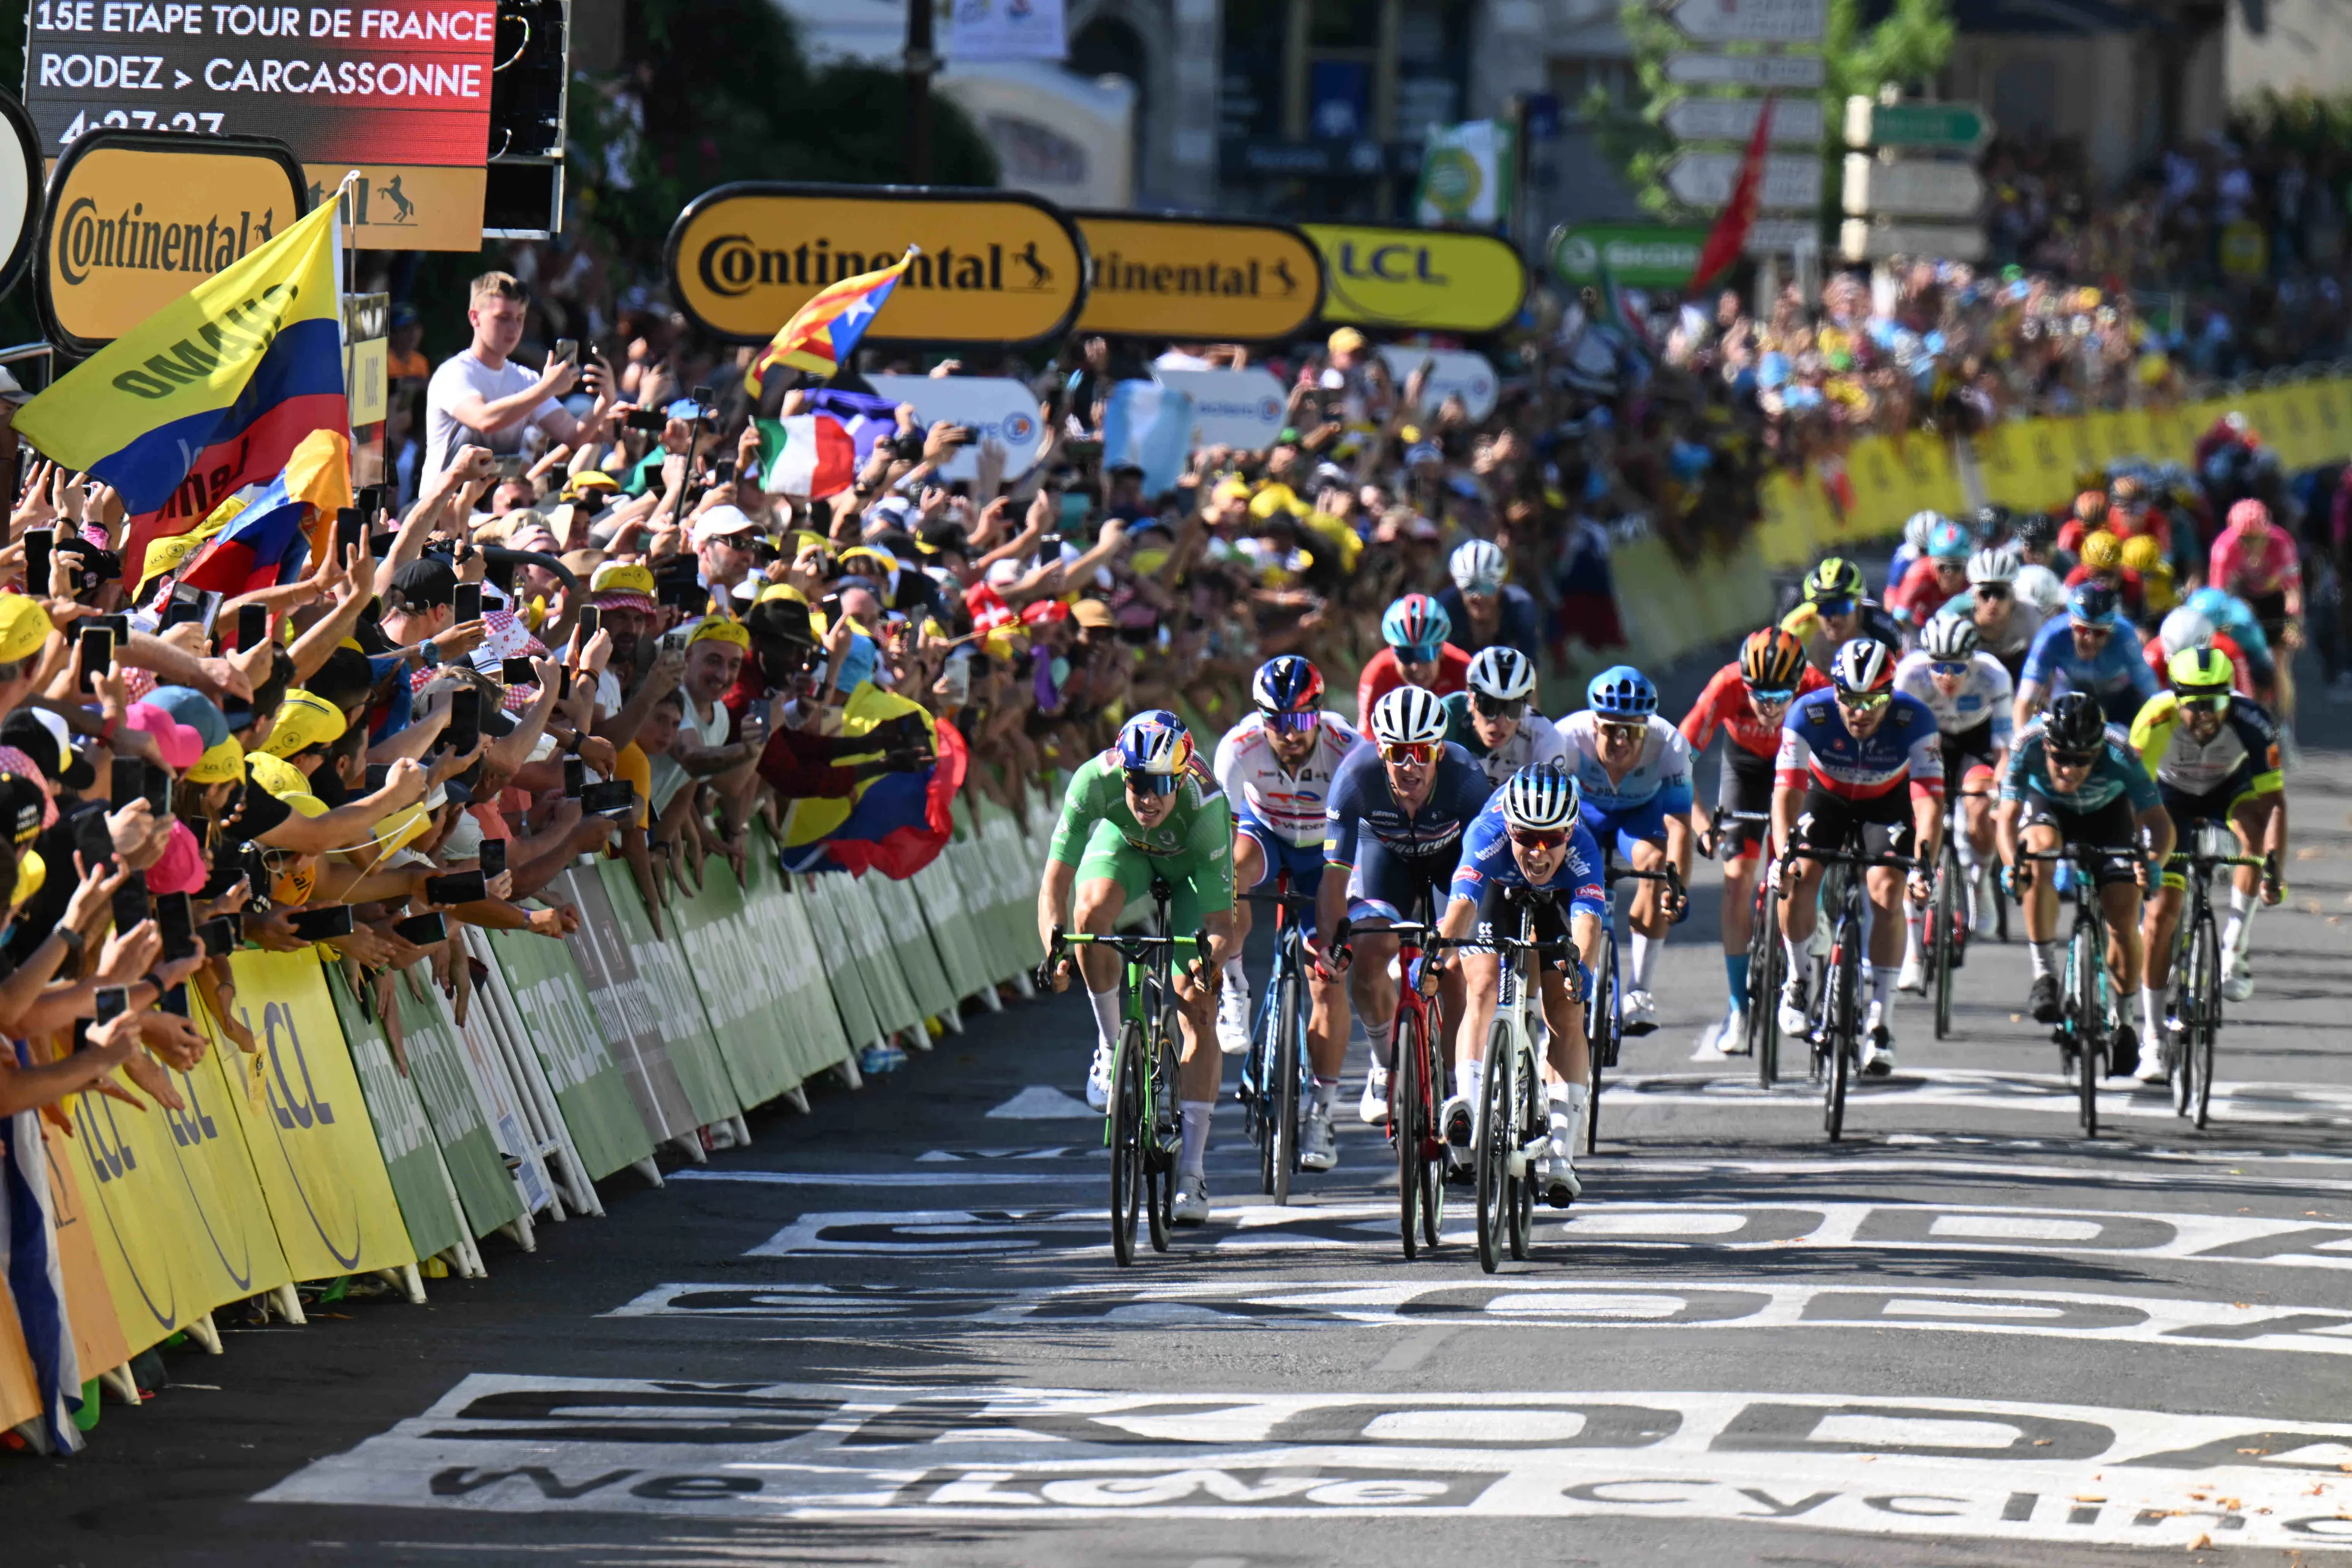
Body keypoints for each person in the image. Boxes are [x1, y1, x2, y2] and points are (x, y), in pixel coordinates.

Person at [1038, 711, 1237, 1226]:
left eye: (1162, 785)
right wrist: (1056, 954)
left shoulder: (1208, 808)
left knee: (1197, 1005)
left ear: (1183, 776)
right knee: (1089, 915)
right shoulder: (1092, 781)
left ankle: (1191, 1170)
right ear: (1122, 773)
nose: (1148, 797)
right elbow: (1053, 887)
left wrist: (1206, 964)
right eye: (1137, 783)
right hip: (1126, 850)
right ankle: (1109, 1046)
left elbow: (1220, 922)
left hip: (1192, 870)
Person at [1425, 763, 1605, 1204]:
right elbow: (1463, 907)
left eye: (1552, 840)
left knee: (1566, 1007)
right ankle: (1467, 1103)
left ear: (1569, 832)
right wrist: (1439, 957)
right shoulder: (1488, 833)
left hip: (1558, 900)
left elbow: (1586, 927)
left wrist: (1576, 971)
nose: (1539, 852)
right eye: (1526, 837)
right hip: (1495, 892)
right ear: (1509, 828)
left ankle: (1561, 1154)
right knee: (1483, 987)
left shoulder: (1583, 846)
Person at [1317, 685, 1492, 1140]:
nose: (1410, 766)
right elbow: (1333, 879)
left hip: (1452, 862)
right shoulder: (1355, 776)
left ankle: (1458, 1087)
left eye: (1420, 753)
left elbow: (1484, 865)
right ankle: (1383, 1064)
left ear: (1438, 750)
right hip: (1385, 857)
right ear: (1381, 751)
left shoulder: (1467, 779)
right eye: (1397, 754)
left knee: (1452, 967)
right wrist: (1332, 943)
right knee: (1370, 951)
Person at [1210, 656, 1361, 1163]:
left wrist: (1341, 908)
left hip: (1325, 849)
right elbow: (1220, 841)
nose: (1288, 734)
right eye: (1275, 720)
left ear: (1318, 713)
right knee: (1233, 870)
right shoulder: (1239, 749)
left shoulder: (1348, 749)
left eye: (1299, 720)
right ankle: (1235, 986)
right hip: (1266, 833)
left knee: (1328, 977)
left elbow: (1362, 839)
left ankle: (1322, 1112)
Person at [1771, 638, 1943, 1075]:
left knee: (1888, 890)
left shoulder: (1915, 718)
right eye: (1850, 699)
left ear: (1891, 693)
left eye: (1873, 700)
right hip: (1823, 796)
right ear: (1835, 692)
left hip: (1886, 803)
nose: (1860, 711)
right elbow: (1788, 790)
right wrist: (1782, 856)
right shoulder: (1807, 713)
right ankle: (1798, 979)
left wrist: (1925, 865)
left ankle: (1881, 1024)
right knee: (1800, 874)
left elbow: (1929, 801)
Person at [1996, 691, 2172, 1075]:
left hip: (2108, 818)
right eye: (2059, 757)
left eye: (2082, 761)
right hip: (2049, 811)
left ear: (2097, 752)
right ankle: (2044, 973)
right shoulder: (2026, 742)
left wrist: (2155, 862)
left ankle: (2124, 1020)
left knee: (2123, 921)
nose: (2069, 770)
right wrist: (2013, 866)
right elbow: (2007, 816)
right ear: (2046, 746)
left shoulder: (2120, 751)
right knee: (2038, 857)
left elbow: (2160, 823)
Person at [2131, 647, 2286, 1054]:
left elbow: (2275, 805)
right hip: (2168, 799)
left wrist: (2274, 869)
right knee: (2162, 913)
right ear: (2176, 698)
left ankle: (2235, 946)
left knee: (2254, 827)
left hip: (2227, 791)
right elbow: (2132, 800)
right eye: (2195, 705)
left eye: (2215, 704)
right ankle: (2153, 1036)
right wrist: (2140, 860)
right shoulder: (2153, 719)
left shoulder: (2252, 721)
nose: (2205, 715)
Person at [1680, 625, 1825, 1052]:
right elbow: (1678, 761)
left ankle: (1811, 921)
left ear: (1798, 687)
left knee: (1797, 866)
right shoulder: (1725, 686)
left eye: (1781, 699)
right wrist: (1703, 823)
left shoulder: (1818, 689)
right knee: (1737, 879)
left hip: (1799, 770)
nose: (1768, 708)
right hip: (1745, 768)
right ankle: (1739, 1007)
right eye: (1758, 696)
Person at [1555, 665, 1693, 1034]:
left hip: (1639, 816)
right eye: (1612, 730)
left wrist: (1677, 888)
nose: (1621, 741)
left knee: (1657, 865)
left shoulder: (1671, 743)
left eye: (1633, 732)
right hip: (1583, 814)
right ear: (1594, 724)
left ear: (1647, 727)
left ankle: (1639, 992)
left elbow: (1679, 824)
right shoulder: (1566, 737)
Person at [1893, 616, 2013, 972]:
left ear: (1971, 662)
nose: (1947, 676)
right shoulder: (1911, 674)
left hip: (1976, 741)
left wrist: (1999, 790)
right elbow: (1895, 740)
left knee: (1979, 804)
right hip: (1929, 740)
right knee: (1917, 824)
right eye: (1939, 667)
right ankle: (1913, 950)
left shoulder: (1993, 675)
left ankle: (1980, 885)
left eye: (1957, 668)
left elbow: (2006, 747)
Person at [423, 271, 619, 482]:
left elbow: (575, 435)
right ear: (475, 317)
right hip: (445, 507)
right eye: (503, 318)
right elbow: (484, 420)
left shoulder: (526, 379)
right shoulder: (453, 373)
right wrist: (546, 389)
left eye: (520, 318)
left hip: (501, 506)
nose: (514, 328)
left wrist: (605, 400)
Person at [2014, 581, 2160, 732]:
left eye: (2099, 633)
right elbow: (2024, 702)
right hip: (2070, 692)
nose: (2090, 640)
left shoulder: (2125, 637)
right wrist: (2019, 746)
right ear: (2071, 623)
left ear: (2111, 631)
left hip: (2117, 697)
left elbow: (2151, 692)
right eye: (2082, 630)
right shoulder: (2052, 636)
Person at [1442, 645, 1564, 786]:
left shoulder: (1544, 736)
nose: (1501, 721)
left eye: (1513, 709)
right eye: (1489, 707)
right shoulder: (1446, 717)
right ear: (1471, 700)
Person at [1355, 592, 1471, 722]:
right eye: (1406, 655)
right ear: (1393, 653)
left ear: (1441, 652)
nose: (1416, 667)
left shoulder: (1464, 669)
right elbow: (1367, 737)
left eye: (1425, 653)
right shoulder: (1377, 674)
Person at [1782, 557, 1904, 674]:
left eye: (1843, 607)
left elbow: (1901, 678)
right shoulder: (1794, 629)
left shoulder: (1883, 629)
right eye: (1826, 609)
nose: (1835, 618)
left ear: (1858, 604)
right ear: (1815, 610)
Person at [1934, 546, 2043, 672]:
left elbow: (2043, 664)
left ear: (2012, 597)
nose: (1993, 602)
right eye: (1985, 594)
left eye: (2001, 593)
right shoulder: (1952, 616)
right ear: (1974, 596)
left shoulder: (2031, 614)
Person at [1436, 538, 1542, 660]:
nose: (1479, 597)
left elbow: (1530, 668)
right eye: (1471, 587)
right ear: (1459, 589)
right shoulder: (1444, 610)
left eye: (1487, 587)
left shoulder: (1521, 609)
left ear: (1501, 586)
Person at [1886, 516, 1973, 631]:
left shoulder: (1975, 573)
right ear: (1933, 564)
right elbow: (1900, 615)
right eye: (1943, 567)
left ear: (1967, 565)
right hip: (1923, 630)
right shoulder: (1918, 572)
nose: (1949, 574)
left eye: (1956, 567)